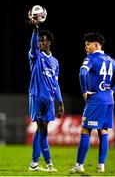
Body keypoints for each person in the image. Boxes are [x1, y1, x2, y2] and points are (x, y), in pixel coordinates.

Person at [68, 32, 115, 173]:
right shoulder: (111, 60)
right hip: (109, 100)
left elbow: (82, 73)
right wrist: (113, 90)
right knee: (103, 131)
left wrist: (84, 91)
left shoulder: (91, 58)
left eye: (87, 44)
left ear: (96, 44)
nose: (86, 47)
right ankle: (101, 165)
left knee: (85, 130)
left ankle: (79, 165)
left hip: (96, 99)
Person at [27, 18, 64, 172]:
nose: (40, 43)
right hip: (36, 96)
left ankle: (34, 163)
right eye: (39, 41)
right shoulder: (35, 56)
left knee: (41, 130)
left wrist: (60, 102)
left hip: (49, 99)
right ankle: (48, 163)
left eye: (43, 40)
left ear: (49, 42)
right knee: (42, 129)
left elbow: (56, 84)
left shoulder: (55, 62)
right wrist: (35, 30)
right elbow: (32, 45)